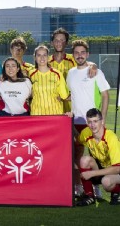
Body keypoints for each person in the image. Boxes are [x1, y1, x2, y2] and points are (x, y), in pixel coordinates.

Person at [67, 39, 110, 198]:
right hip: (76, 122)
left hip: (92, 123)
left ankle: (96, 187)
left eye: (82, 52)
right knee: (76, 157)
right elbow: (73, 94)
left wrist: (102, 119)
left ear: (88, 54)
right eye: (77, 53)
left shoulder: (95, 71)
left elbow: (106, 95)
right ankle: (79, 186)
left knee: (95, 158)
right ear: (73, 55)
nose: (80, 55)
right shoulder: (70, 73)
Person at [75, 108, 120, 206]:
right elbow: (77, 142)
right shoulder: (86, 133)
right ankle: (89, 196)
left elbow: (117, 168)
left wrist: (92, 173)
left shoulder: (111, 138)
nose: (92, 125)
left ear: (102, 121)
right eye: (90, 122)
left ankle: (117, 192)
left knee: (106, 182)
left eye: (95, 121)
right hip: (102, 168)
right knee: (84, 160)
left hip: (116, 170)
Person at [49, 28, 97, 112]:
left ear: (66, 43)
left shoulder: (73, 59)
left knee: (74, 125)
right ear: (52, 43)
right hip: (53, 105)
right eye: (56, 40)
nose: (58, 43)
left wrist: (93, 65)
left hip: (72, 105)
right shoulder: (46, 62)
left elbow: (85, 63)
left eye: (62, 40)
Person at [28, 45, 69, 115]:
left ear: (48, 57)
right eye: (39, 55)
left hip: (55, 113)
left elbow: (64, 95)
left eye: (44, 55)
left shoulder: (57, 73)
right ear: (35, 58)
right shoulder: (30, 74)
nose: (42, 57)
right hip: (37, 114)